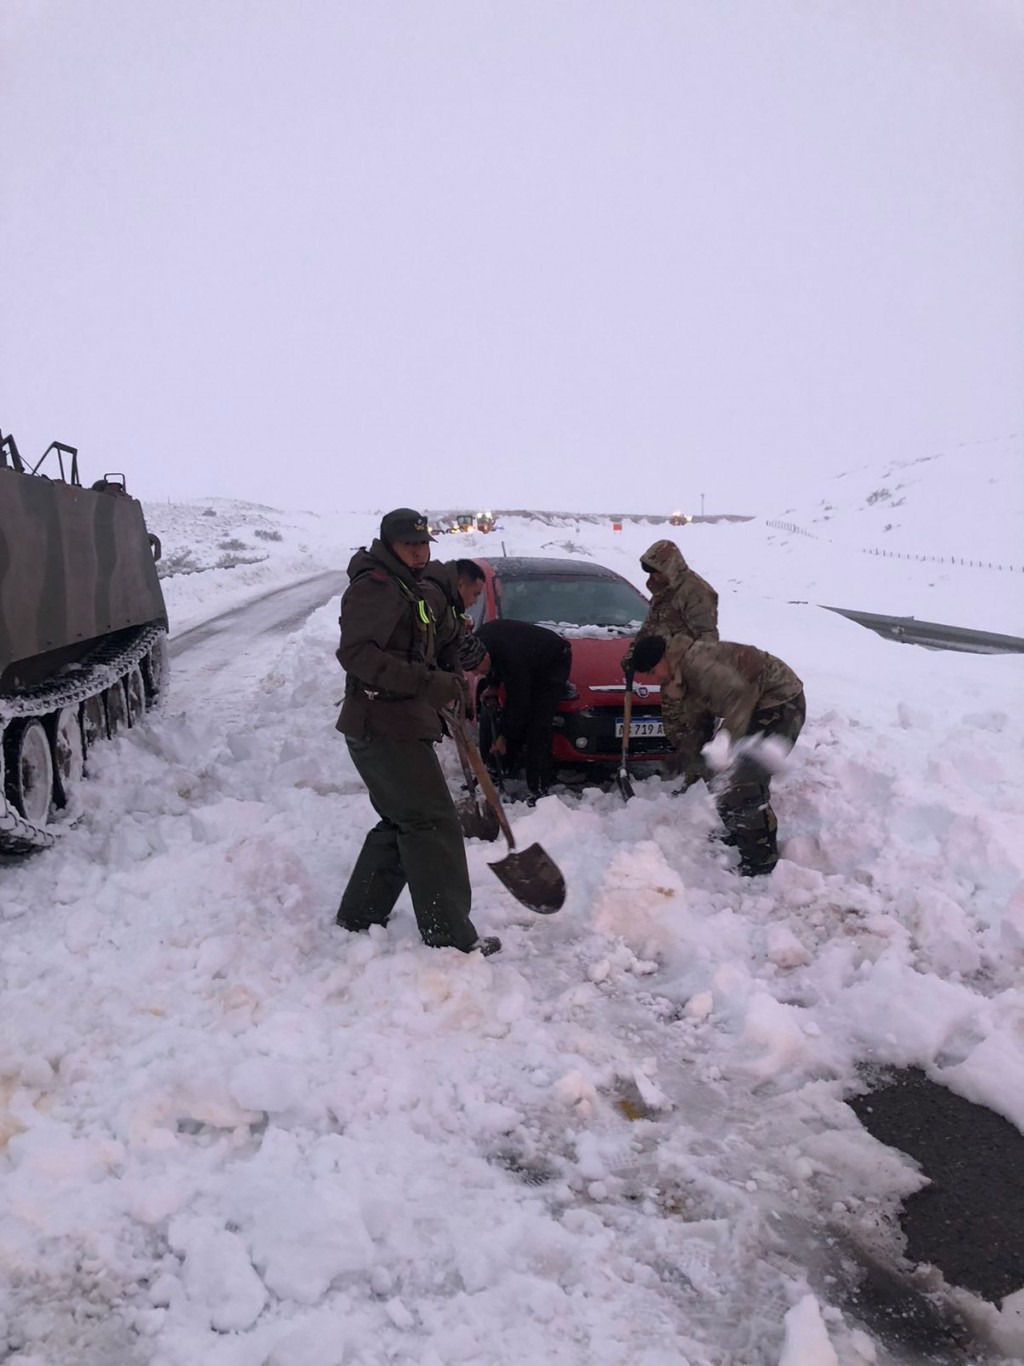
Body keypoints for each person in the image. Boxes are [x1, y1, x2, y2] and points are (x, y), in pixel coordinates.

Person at [334, 508, 500, 956]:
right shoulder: (375, 589)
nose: (420, 552)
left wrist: (453, 668)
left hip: (398, 723)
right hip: (381, 724)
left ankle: (360, 913)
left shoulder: (413, 588)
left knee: (404, 819)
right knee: (432, 824)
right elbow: (357, 655)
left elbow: (436, 634)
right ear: (389, 545)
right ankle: (448, 934)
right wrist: (428, 683)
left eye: (425, 544)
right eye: (411, 545)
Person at [630, 633, 805, 877]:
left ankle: (761, 859)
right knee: (716, 771)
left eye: (651, 672)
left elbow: (740, 697)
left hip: (780, 700)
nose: (653, 679)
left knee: (743, 778)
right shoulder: (680, 677)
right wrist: (685, 756)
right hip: (752, 705)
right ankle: (741, 830)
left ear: (662, 659)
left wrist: (724, 741)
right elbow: (700, 723)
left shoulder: (698, 664)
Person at [622, 539, 720, 781]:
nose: (653, 576)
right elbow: (650, 628)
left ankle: (706, 780)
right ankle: (691, 774)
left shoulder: (695, 592)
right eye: (650, 571)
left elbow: (708, 637)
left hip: (689, 675)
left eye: (656, 569)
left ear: (670, 566)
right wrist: (633, 654)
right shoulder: (663, 593)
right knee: (675, 729)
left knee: (695, 729)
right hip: (667, 672)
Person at [471, 619, 572, 801]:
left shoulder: (511, 658)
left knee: (538, 724)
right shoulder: (478, 642)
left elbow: (518, 702)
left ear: (484, 657)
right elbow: (496, 664)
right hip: (527, 655)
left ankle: (538, 789)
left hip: (553, 661)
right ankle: (499, 769)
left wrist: (503, 737)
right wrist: (493, 684)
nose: (476, 675)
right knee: (516, 720)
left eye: (477, 670)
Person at [422, 558, 489, 675]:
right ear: (460, 585)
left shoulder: (450, 605)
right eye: (475, 594)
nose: (475, 601)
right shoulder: (432, 598)